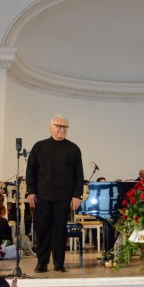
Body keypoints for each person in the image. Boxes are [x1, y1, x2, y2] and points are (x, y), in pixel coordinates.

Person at [26, 115, 84, 273]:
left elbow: (79, 175)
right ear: (50, 127)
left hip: (63, 197)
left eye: (65, 127)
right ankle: (42, 262)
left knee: (59, 231)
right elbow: (30, 170)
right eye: (59, 126)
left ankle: (59, 263)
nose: (62, 129)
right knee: (42, 230)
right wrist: (31, 191)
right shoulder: (39, 146)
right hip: (42, 196)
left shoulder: (74, 149)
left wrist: (77, 195)